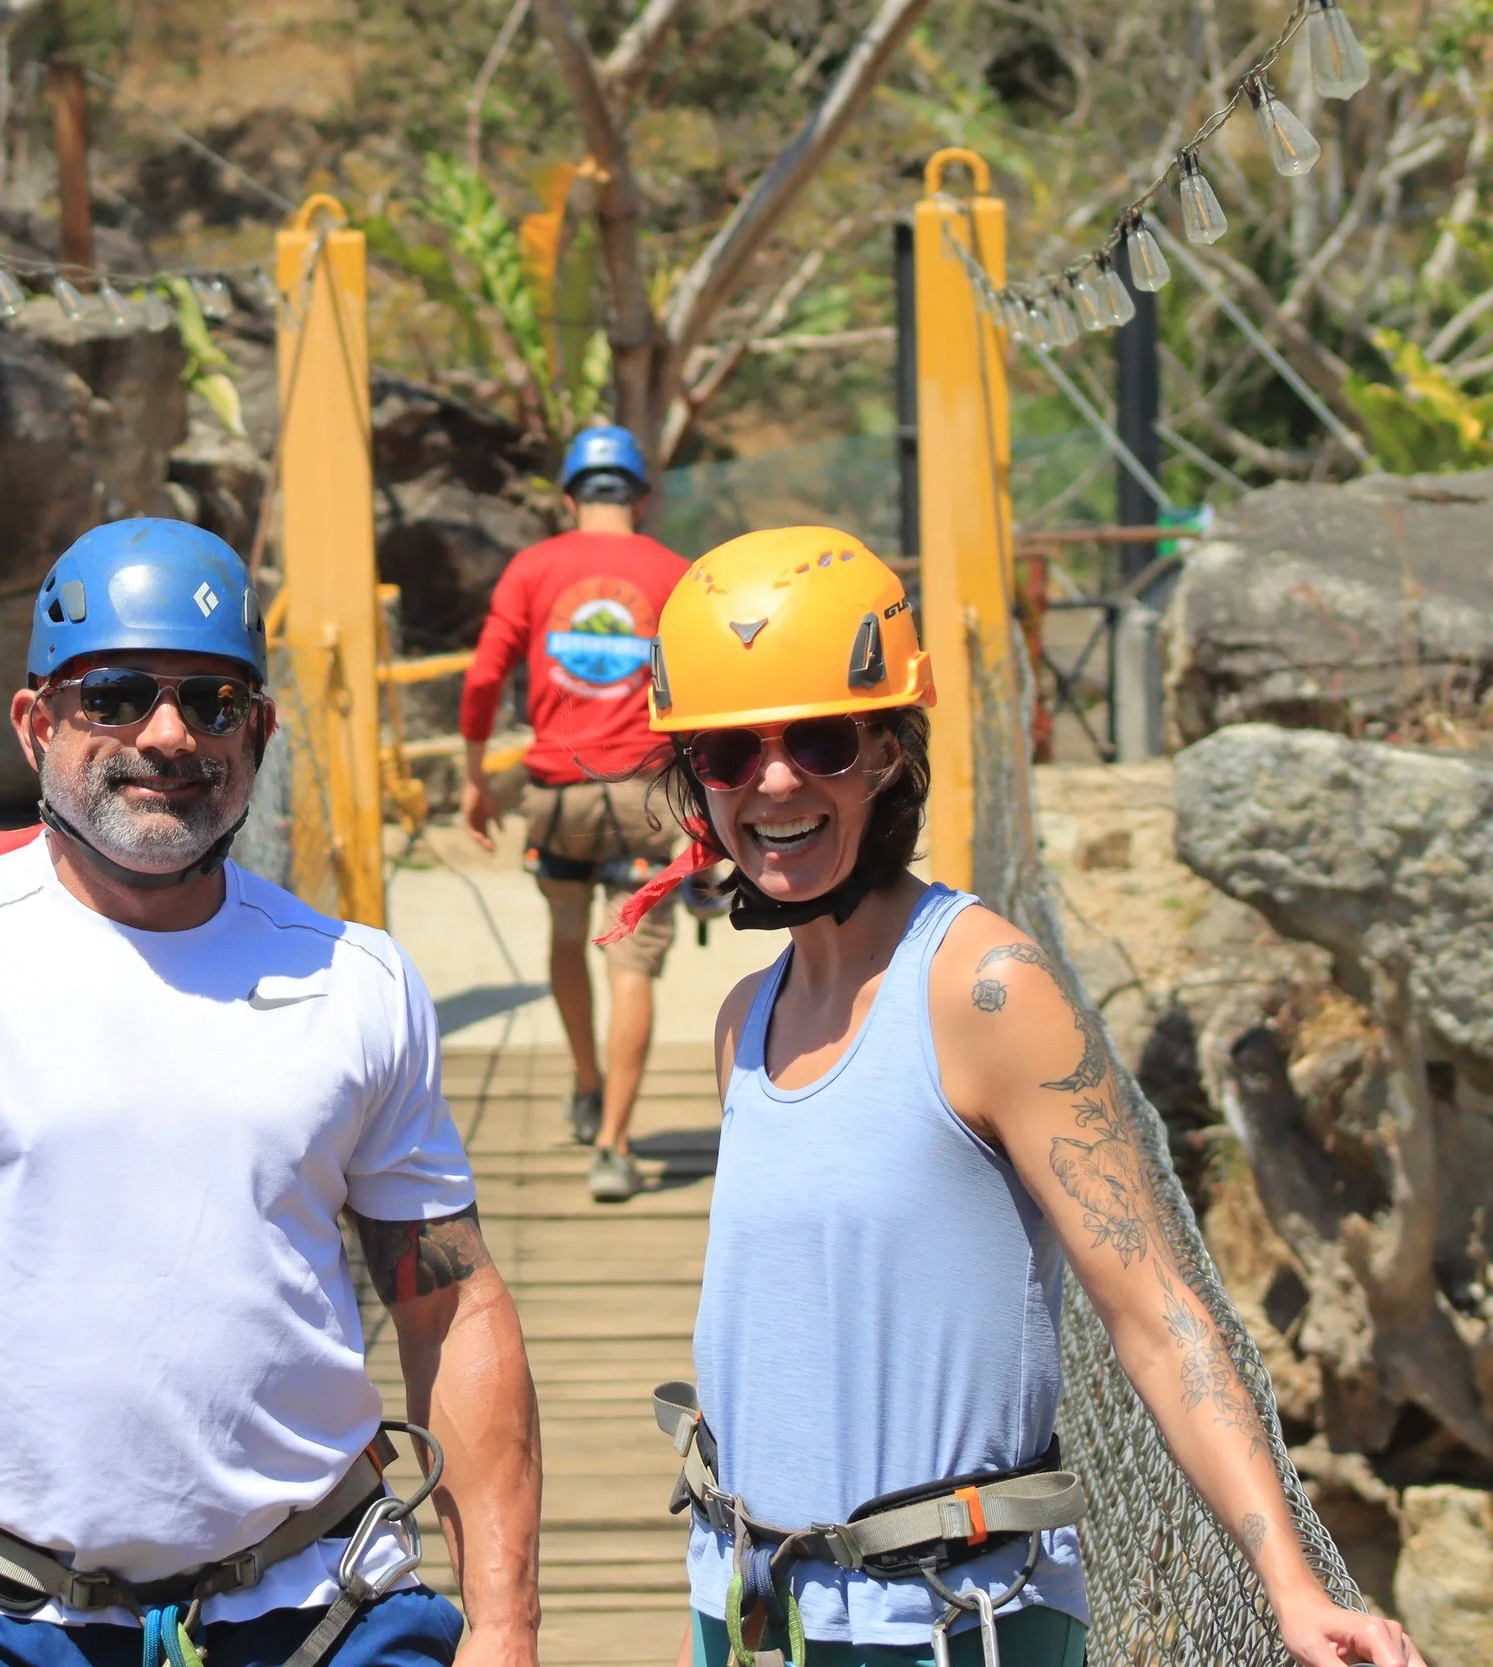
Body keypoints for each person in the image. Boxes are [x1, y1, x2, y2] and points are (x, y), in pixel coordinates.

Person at [0, 518, 543, 1667]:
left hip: (328, 1608)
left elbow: (451, 1302)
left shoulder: (357, 980)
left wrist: (506, 1624)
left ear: (264, 730)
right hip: (14, 1624)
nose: (168, 733)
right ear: (35, 723)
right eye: (117, 695)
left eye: (213, 701)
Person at [601, 526, 1421, 1667]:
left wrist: (1287, 1579)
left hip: (944, 1625)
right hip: (750, 1612)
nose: (775, 781)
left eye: (823, 741)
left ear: (888, 748)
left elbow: (1156, 1306)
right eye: (731, 752)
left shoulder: (986, 985)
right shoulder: (745, 1019)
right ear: (696, 777)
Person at [457, 424, 692, 1202]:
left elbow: (486, 676)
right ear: (642, 498)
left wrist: (473, 775)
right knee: (631, 961)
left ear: (568, 498)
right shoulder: (675, 574)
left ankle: (587, 1080)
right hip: (648, 795)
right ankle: (616, 1146)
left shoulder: (533, 568)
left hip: (558, 793)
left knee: (566, 934)